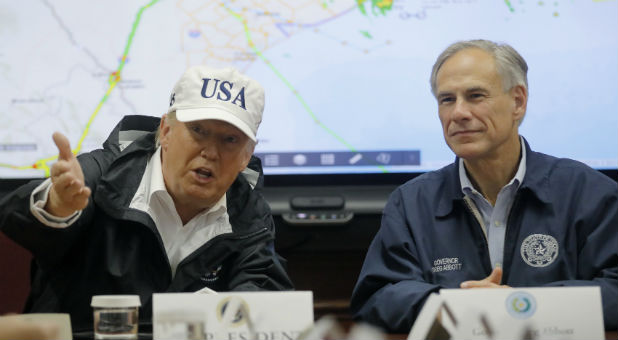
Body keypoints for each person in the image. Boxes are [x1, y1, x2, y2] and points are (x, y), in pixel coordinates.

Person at [350, 39, 617, 332]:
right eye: (447, 100)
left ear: (518, 101)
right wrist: (452, 305)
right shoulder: (412, 202)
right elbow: (376, 299)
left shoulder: (587, 192)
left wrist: (522, 305)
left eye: (475, 96)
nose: (459, 113)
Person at [0, 66, 293, 332]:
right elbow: (17, 223)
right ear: (165, 131)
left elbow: (266, 303)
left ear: (246, 155)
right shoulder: (103, 175)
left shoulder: (249, 212)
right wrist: (58, 206)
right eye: (198, 131)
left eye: (229, 140)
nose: (211, 152)